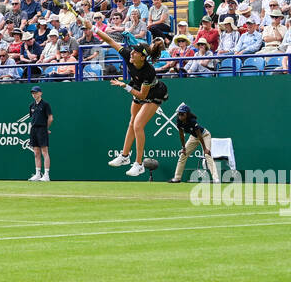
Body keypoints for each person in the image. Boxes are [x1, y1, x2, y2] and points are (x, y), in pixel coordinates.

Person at [85, 16, 167, 177]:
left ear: (142, 57)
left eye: (135, 52)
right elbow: (110, 41)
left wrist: (125, 86)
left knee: (138, 125)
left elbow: (143, 95)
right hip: (137, 86)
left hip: (154, 93)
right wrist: (93, 28)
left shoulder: (149, 72)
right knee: (131, 123)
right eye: (133, 51)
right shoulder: (129, 55)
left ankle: (138, 164)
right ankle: (124, 156)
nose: (132, 54)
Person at [168, 103, 220, 183]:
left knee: (207, 155)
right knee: (183, 155)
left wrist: (205, 149)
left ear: (187, 114)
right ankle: (177, 178)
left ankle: (216, 179)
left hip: (204, 135)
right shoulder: (178, 121)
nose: (180, 115)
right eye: (179, 113)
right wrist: (183, 148)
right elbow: (181, 135)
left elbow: (199, 136)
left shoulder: (192, 121)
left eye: (182, 114)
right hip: (193, 137)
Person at [26, 85, 54, 182]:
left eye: (36, 92)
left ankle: (46, 175)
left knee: (44, 152)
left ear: (40, 93)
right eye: (33, 93)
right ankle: (38, 174)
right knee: (36, 153)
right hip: (33, 130)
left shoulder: (45, 104)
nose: (34, 94)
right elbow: (32, 118)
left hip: (42, 129)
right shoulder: (31, 105)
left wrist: (46, 128)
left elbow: (50, 118)